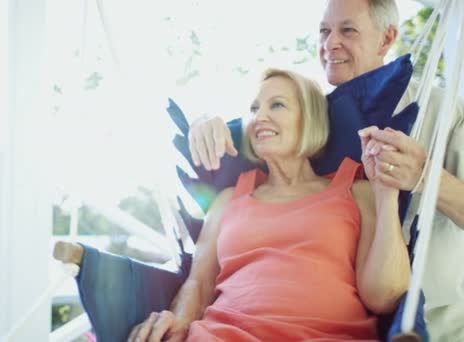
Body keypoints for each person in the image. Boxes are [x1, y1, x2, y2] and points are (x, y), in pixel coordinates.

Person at [187, 1, 464, 340]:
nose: (330, 43)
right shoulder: (322, 117)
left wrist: (424, 175)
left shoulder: (447, 111)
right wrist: (206, 123)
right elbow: (258, 127)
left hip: (438, 320)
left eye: (348, 30)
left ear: (386, 38)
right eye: (323, 30)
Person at [124, 68, 410, 341]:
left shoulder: (356, 190)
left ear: (309, 118)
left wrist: (386, 196)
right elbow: (198, 283)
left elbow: (384, 297)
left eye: (277, 105)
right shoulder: (228, 199)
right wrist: (178, 321)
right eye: (253, 109)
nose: (259, 117)